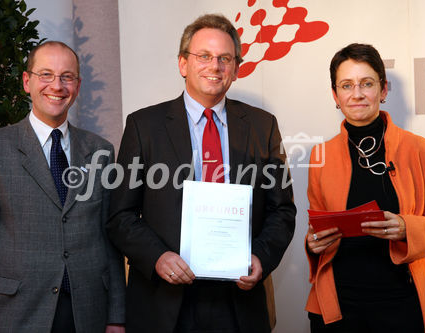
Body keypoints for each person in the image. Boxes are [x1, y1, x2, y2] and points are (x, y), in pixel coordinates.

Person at [106, 14, 296, 333]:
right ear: (183, 64)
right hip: (164, 302)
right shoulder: (143, 126)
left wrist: (261, 258)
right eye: (204, 56)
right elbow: (120, 215)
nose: (215, 66)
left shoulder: (263, 127)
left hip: (238, 302)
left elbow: (283, 210)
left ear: (236, 69)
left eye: (225, 58)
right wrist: (157, 257)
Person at [0, 41, 126, 332]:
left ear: (77, 84)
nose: (56, 86)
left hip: (87, 314)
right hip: (17, 314)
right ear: (27, 81)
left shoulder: (101, 150)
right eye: (46, 74)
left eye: (66, 76)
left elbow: (109, 241)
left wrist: (116, 317)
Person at [305, 43, 425, 333]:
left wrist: (407, 227)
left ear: (383, 90)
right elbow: (317, 228)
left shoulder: (422, 150)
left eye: (366, 83)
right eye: (346, 85)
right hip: (339, 305)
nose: (356, 94)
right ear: (335, 95)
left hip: (402, 302)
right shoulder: (320, 156)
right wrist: (313, 244)